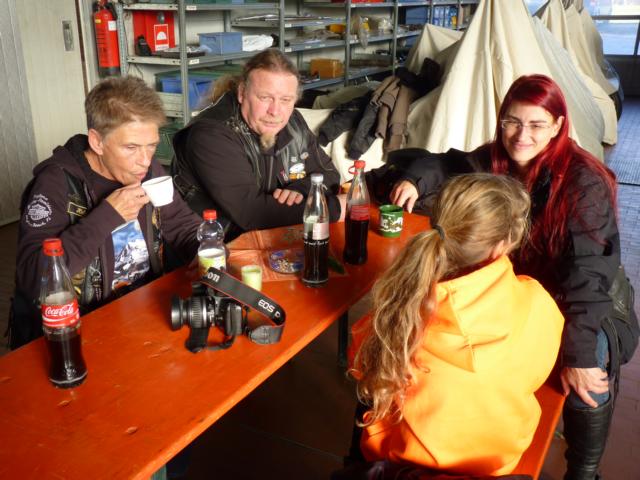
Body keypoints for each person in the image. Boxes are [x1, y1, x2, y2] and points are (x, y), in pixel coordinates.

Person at [374, 74, 638, 480]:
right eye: (512, 122)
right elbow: (445, 162)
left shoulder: (584, 182)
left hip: (584, 297)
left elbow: (588, 275)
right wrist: (414, 179)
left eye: (536, 124)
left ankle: (584, 471)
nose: (521, 136)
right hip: (522, 290)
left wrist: (580, 356)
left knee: (588, 372)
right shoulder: (496, 159)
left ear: (558, 126)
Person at [348, 174, 564, 477]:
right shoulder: (538, 302)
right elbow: (535, 373)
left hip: (409, 465)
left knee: (370, 397)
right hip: (499, 462)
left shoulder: (400, 315)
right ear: (502, 246)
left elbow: (362, 366)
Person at [9, 76, 202, 350]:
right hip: (80, 332)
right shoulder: (55, 183)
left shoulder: (145, 170)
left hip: (145, 313)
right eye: (131, 147)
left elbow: (182, 224)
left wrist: (206, 250)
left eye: (151, 145)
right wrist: (108, 215)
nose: (145, 160)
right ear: (97, 142)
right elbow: (33, 278)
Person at [171, 48, 345, 241]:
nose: (275, 111)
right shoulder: (211, 134)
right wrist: (335, 209)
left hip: (272, 239)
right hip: (212, 248)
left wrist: (300, 190)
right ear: (242, 93)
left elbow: (329, 174)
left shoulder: (293, 122)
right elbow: (253, 213)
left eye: (285, 100)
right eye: (265, 98)